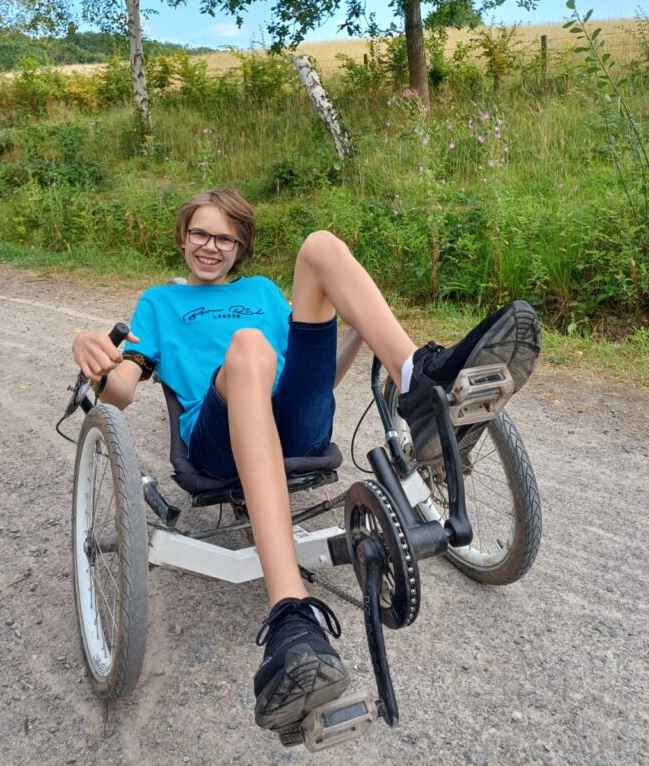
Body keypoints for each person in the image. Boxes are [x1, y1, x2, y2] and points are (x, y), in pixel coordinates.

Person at [72, 187, 540, 734]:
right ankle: (290, 615)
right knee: (250, 348)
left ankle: (418, 382)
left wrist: (357, 326)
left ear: (240, 247)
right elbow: (121, 392)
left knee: (320, 246)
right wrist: (90, 350)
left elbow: (315, 379)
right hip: (216, 432)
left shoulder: (267, 292)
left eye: (225, 238)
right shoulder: (158, 303)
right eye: (200, 233)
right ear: (182, 238)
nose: (210, 246)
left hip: (295, 424)